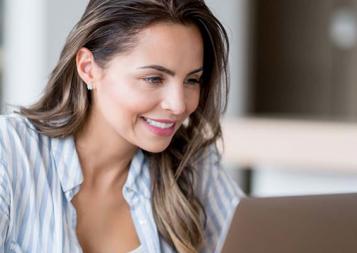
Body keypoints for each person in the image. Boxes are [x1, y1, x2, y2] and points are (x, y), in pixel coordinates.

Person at [0, 0, 243, 252]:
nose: (179, 105)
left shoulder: (192, 164)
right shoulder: (10, 153)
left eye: (192, 80)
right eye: (153, 78)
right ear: (88, 68)